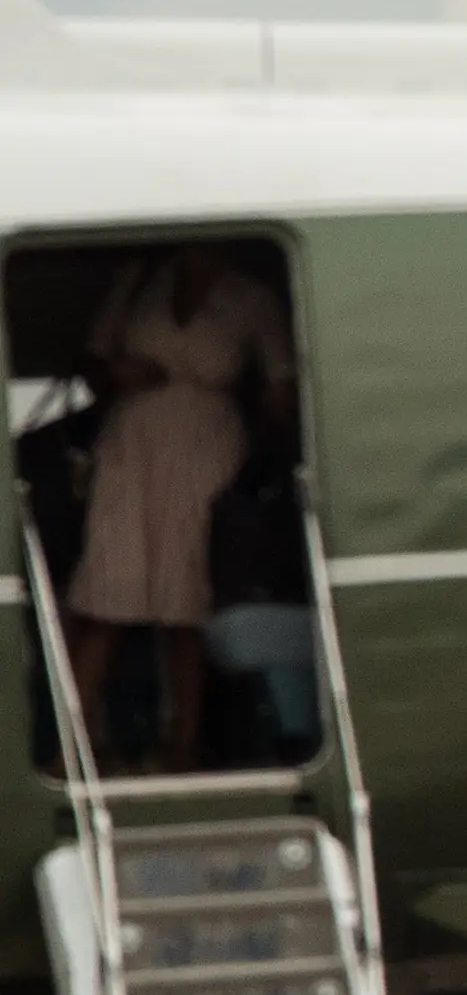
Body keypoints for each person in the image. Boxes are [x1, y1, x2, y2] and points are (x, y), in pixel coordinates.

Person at [63, 241, 295, 771]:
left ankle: (182, 748)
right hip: (131, 444)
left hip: (205, 447)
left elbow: (282, 382)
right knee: (104, 598)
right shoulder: (139, 277)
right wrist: (115, 375)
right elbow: (90, 365)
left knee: (185, 604)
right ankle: (74, 749)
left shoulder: (251, 297)